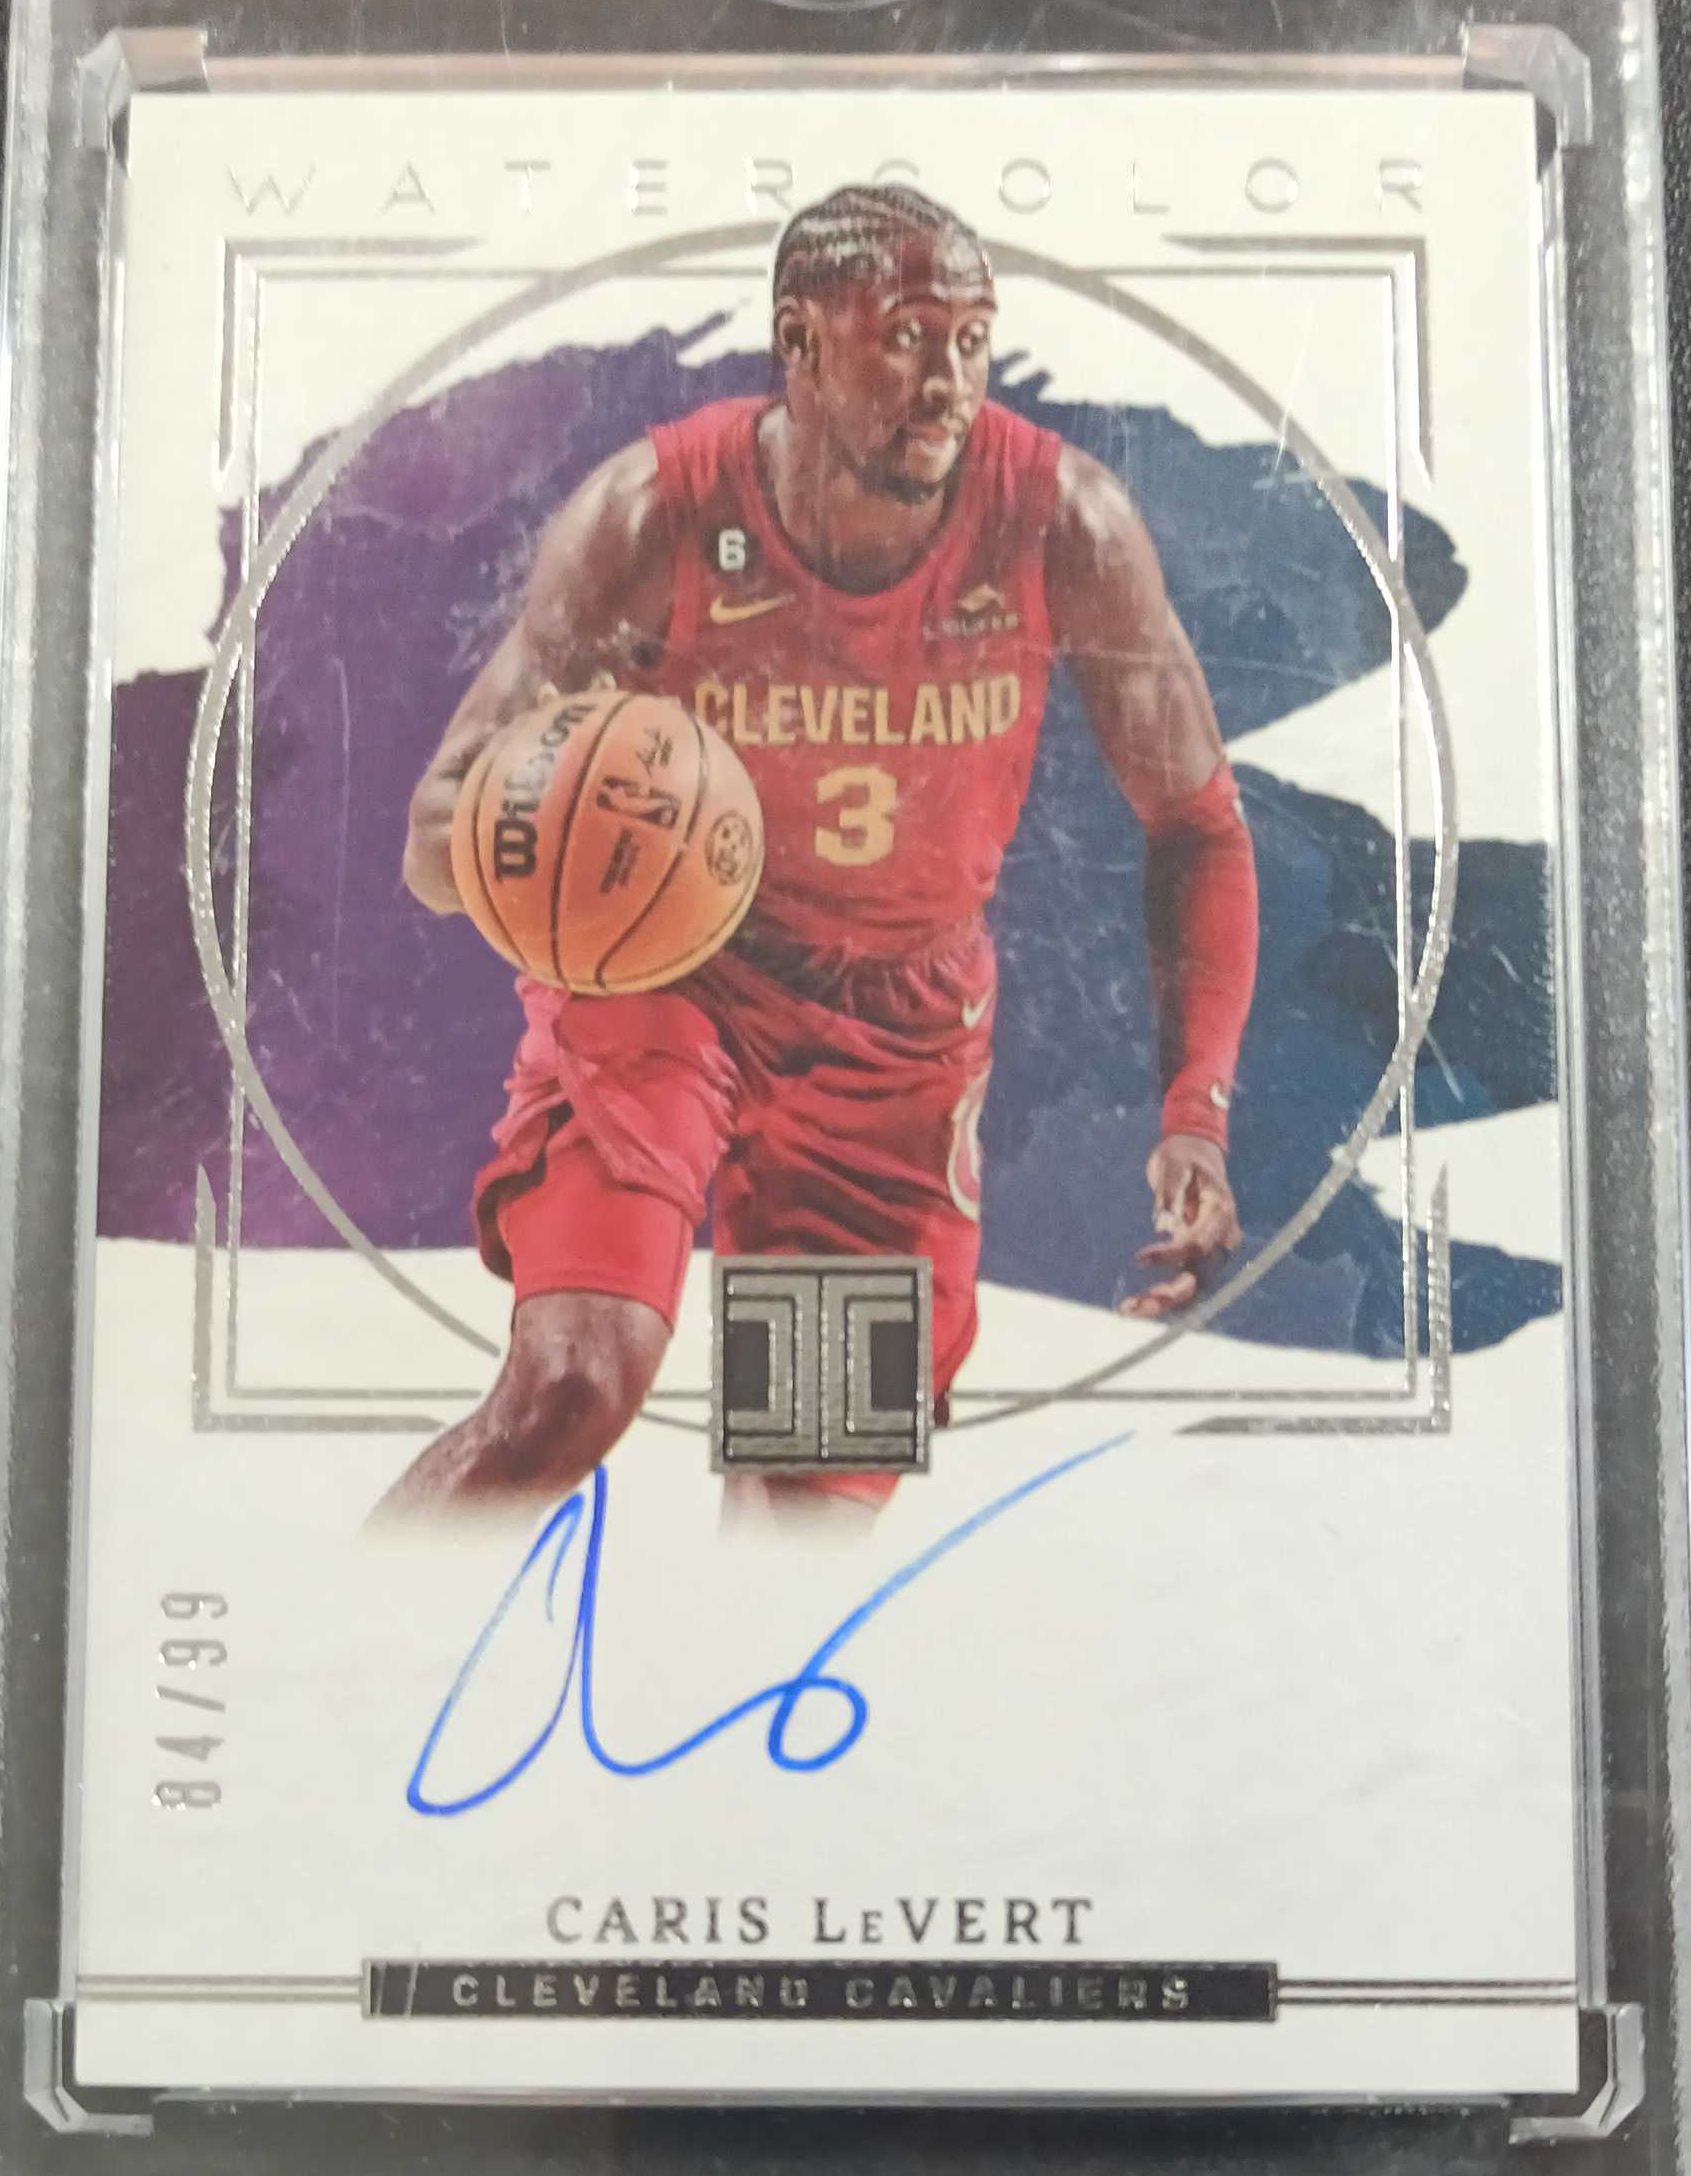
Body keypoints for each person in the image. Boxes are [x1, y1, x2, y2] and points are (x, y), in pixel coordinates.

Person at [379, 183, 1257, 1517]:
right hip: (672, 981)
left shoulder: (1062, 521)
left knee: (799, 1512)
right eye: (906, 336)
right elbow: (436, 831)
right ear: (798, 339)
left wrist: (1196, 1112)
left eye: (972, 339)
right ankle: (348, 1632)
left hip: (892, 1041)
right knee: (570, 1387)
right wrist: (540, 840)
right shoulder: (656, 513)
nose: (949, 380)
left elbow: (1197, 825)